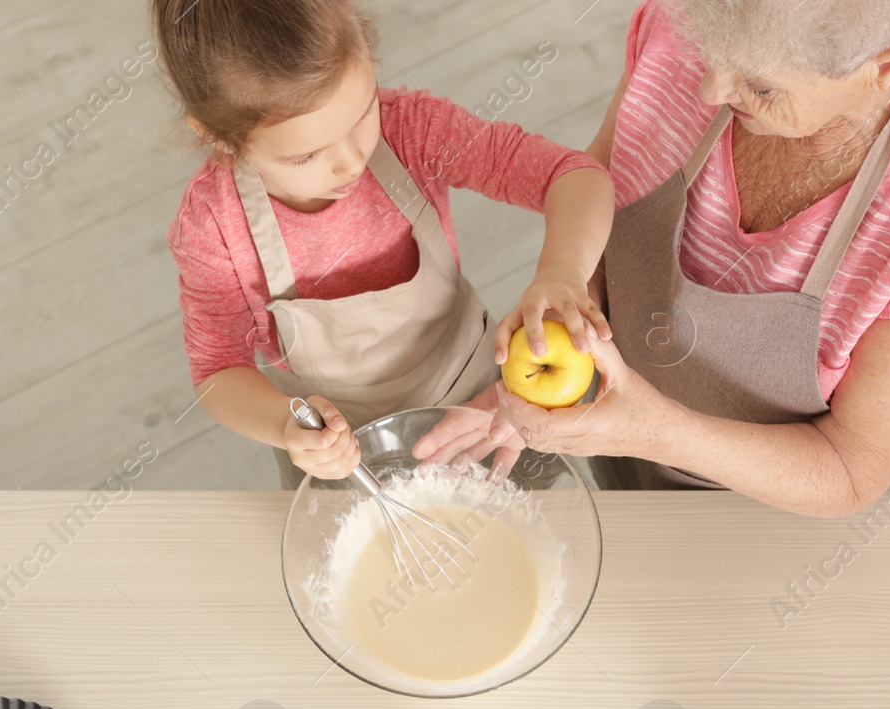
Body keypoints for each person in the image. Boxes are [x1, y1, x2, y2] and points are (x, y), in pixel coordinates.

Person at [427, 0, 890, 515]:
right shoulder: (713, 18)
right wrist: (565, 308)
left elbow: (848, 470)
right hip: (636, 435)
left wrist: (654, 429)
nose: (708, 86)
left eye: (757, 83)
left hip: (822, 527)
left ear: (889, 70)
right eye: (708, 52)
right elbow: (609, 183)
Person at [154, 0, 613, 487]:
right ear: (220, 138)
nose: (351, 161)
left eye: (362, 112)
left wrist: (562, 270)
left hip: (485, 407)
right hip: (343, 457)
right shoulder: (214, 224)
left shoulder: (411, 132)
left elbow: (574, 177)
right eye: (307, 155)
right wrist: (286, 425)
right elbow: (217, 372)